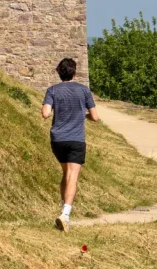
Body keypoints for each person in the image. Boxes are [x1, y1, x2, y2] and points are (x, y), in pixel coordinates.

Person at [42, 58, 99, 232]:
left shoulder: (52, 90)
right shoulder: (84, 91)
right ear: (75, 72)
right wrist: (84, 115)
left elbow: (45, 113)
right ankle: (65, 214)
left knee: (66, 173)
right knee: (73, 175)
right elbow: (95, 117)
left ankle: (63, 208)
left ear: (59, 73)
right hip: (76, 139)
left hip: (57, 139)